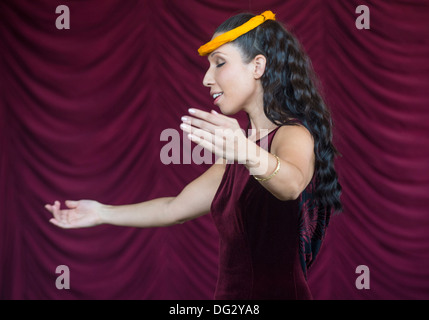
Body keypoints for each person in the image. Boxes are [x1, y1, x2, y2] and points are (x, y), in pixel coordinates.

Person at [45, 10, 342, 300]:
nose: (206, 79)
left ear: (258, 66)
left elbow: (290, 185)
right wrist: (101, 212)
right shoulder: (236, 153)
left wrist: (245, 151)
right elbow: (173, 209)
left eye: (219, 63)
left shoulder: (292, 134)